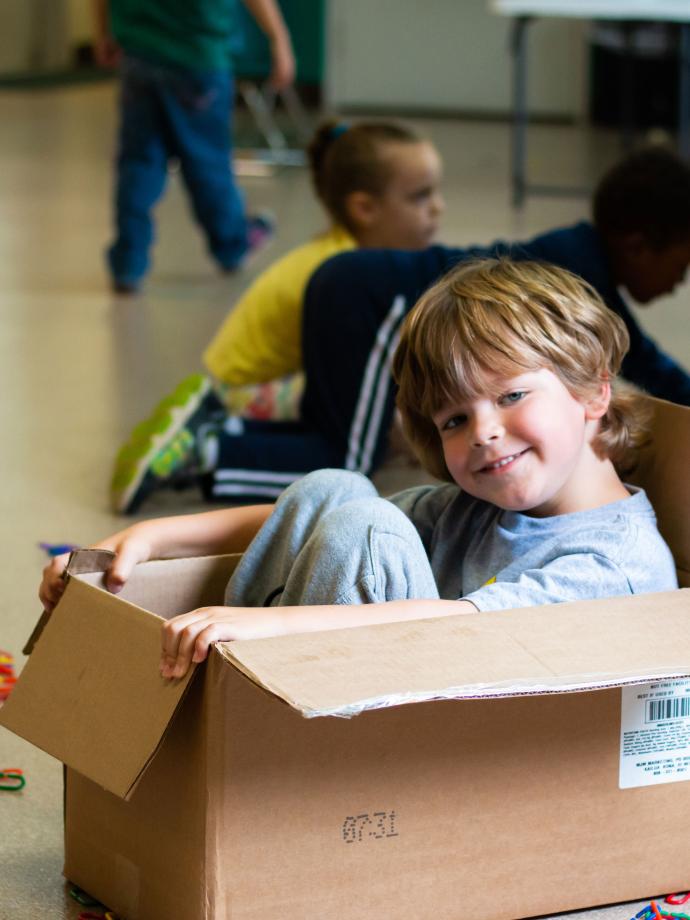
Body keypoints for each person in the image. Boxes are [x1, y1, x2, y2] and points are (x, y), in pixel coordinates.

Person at [40, 259, 678, 680]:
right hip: (359, 693)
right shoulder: (480, 508)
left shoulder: (615, 564)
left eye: (512, 396)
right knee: (336, 489)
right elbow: (295, 516)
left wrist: (272, 625)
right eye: (453, 420)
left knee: (364, 528)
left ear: (594, 393)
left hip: (452, 758)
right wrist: (154, 539)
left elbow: (466, 624)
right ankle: (236, 685)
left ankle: (254, 690)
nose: (483, 432)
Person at [116, 144, 690, 512]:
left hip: (356, 286)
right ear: (640, 245)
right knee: (347, 457)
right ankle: (208, 448)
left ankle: (219, 427)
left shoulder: (577, 248)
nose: (677, 283)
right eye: (680, 265)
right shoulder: (579, 272)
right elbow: (644, 361)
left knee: (331, 429)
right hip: (377, 302)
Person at [111, 119, 445, 512]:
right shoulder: (348, 276)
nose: (437, 207)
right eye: (420, 197)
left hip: (237, 383)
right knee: (348, 465)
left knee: (375, 418)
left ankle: (200, 429)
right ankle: (207, 449)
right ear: (364, 208)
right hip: (251, 391)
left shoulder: (336, 252)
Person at [94, 0, 295, 293]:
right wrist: (279, 39)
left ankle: (128, 261)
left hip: (140, 56)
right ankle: (231, 245)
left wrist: (104, 32)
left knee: (138, 163)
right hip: (197, 58)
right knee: (207, 162)